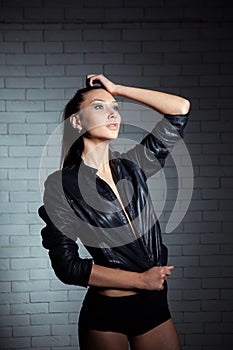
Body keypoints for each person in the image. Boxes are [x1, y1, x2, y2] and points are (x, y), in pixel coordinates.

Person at [38, 74, 190, 350]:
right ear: (76, 120)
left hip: (154, 307)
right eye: (99, 107)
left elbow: (179, 109)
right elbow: (67, 266)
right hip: (108, 313)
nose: (112, 113)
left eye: (115, 108)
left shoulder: (133, 166)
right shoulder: (62, 184)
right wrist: (141, 281)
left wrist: (117, 89)